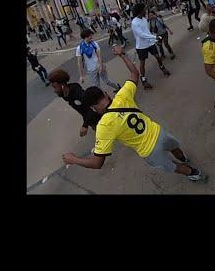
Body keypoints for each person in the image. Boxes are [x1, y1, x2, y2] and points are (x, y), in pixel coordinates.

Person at [62, 45, 207, 183]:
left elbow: (97, 163)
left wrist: (73, 159)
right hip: (158, 132)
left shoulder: (104, 126)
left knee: (173, 166)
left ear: (93, 108)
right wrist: (121, 54)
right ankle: (184, 158)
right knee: (173, 147)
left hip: (149, 150)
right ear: (105, 94)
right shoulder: (122, 96)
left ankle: (194, 173)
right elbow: (134, 73)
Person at [48, 69, 100, 137]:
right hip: (91, 121)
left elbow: (92, 108)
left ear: (62, 85)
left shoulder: (77, 92)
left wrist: (85, 126)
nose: (54, 91)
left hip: (98, 117)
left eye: (55, 87)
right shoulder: (64, 95)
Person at [131, 3, 171, 89]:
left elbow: (147, 32)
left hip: (150, 43)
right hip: (141, 46)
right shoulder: (134, 22)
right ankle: (143, 79)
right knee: (142, 63)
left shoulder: (144, 20)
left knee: (158, 56)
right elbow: (141, 35)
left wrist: (154, 40)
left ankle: (162, 68)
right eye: (144, 9)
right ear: (140, 10)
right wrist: (154, 37)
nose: (146, 10)